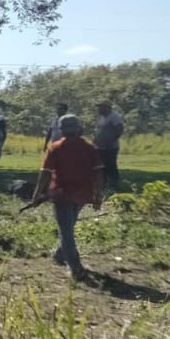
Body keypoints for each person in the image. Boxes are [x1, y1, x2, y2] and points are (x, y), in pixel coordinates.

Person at [32, 114, 103, 281]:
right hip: (83, 193)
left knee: (66, 231)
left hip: (61, 194)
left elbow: (45, 173)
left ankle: (76, 268)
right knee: (68, 227)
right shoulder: (90, 147)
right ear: (78, 128)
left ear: (62, 130)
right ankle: (59, 254)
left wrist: (37, 194)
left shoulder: (55, 147)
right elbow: (98, 172)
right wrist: (98, 194)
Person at [94, 101, 125, 192]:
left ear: (107, 107)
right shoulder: (101, 118)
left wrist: (111, 141)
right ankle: (104, 185)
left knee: (111, 166)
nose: (99, 109)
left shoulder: (114, 117)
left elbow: (119, 130)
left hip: (110, 147)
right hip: (100, 147)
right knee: (102, 166)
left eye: (100, 107)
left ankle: (114, 185)